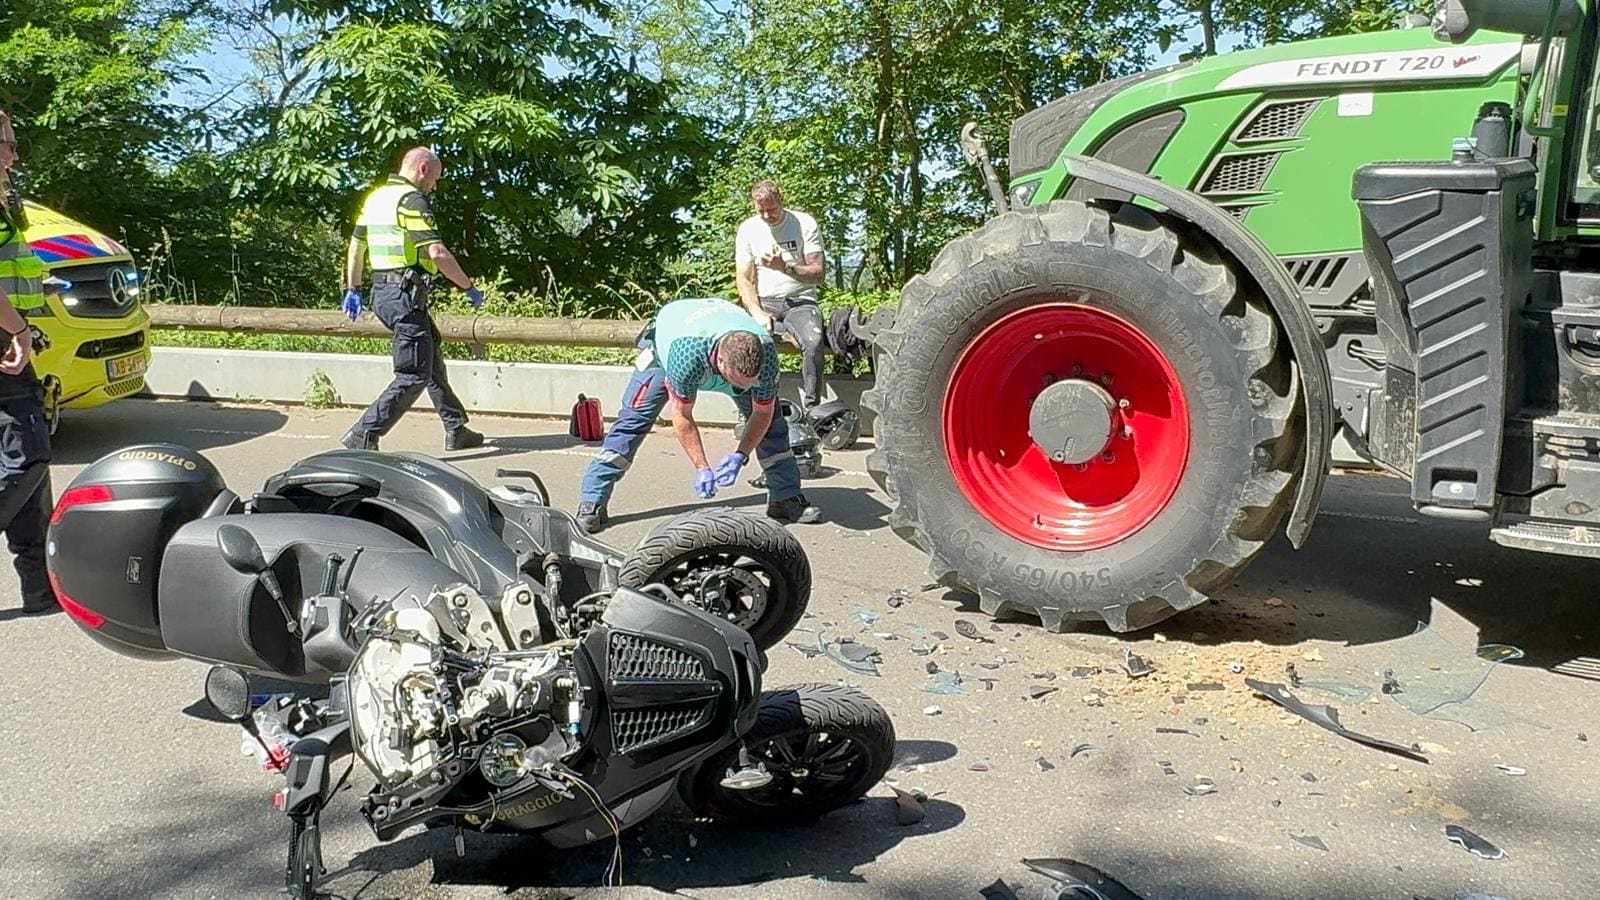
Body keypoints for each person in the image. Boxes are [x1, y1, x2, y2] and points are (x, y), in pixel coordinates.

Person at [575, 297, 822, 533]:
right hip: (666, 355)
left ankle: (785, 497)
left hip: (723, 338)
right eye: (739, 382)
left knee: (773, 427)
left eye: (751, 382)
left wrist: (741, 455)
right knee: (632, 423)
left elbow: (763, 413)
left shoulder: (765, 357)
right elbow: (682, 416)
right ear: (721, 362)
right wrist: (702, 466)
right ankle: (593, 499)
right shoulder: (686, 356)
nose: (746, 388)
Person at [340, 147, 485, 452]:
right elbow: (436, 252)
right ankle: (364, 433)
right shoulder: (412, 201)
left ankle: (456, 427)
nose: (435, 185)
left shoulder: (375, 198)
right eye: (435, 178)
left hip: (384, 292)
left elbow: (356, 247)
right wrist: (467, 286)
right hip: (404, 294)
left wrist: (353, 288)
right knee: (413, 373)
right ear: (422, 169)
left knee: (430, 358)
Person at [0, 108, 56, 615]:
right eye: (7, 144)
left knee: (28, 470)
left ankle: (40, 587)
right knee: (30, 456)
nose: (14, 155)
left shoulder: (5, 205)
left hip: (12, 340)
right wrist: (16, 328)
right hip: (3, 343)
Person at [734, 180, 829, 410]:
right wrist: (756, 311)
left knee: (814, 341)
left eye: (772, 210)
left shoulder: (804, 223)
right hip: (765, 302)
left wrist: (785, 267)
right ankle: (751, 407)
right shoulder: (748, 229)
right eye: (761, 211)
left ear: (781, 201)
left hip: (800, 302)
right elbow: (744, 279)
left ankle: (812, 408)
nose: (767, 215)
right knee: (744, 342)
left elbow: (818, 274)